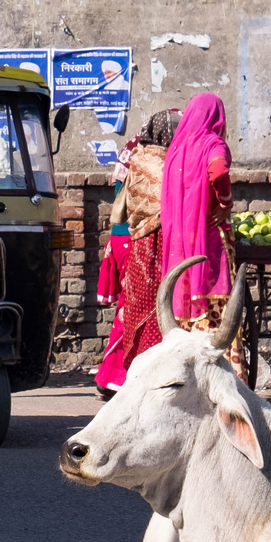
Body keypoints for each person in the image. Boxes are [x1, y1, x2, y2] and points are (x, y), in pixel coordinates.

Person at [162, 93, 235, 332]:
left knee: (183, 295)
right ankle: (216, 357)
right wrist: (225, 202)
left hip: (180, 239)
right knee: (212, 296)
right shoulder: (212, 144)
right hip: (209, 235)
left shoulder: (176, 149)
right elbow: (219, 170)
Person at [116, 109, 180, 369]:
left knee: (156, 301)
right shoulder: (156, 160)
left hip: (147, 239)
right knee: (155, 302)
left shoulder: (140, 156)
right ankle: (150, 367)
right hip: (154, 238)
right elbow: (166, 200)